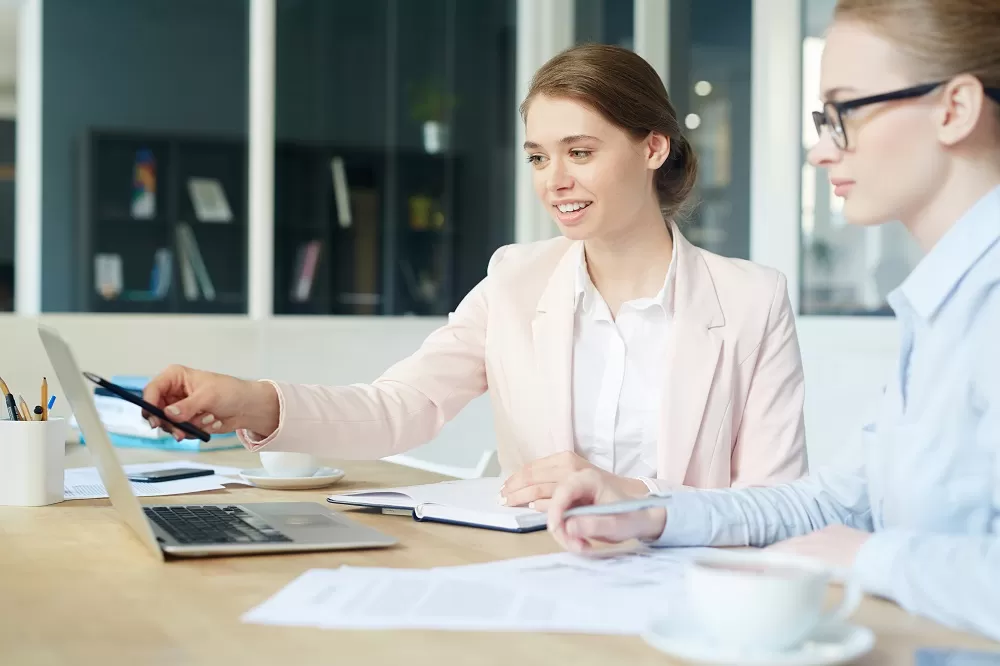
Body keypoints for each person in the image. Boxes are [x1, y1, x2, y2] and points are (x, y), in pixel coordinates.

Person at [141, 44, 808, 507]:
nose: (556, 181)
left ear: (653, 147)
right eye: (539, 157)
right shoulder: (517, 280)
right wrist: (252, 400)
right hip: (541, 574)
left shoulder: (752, 300)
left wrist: (635, 495)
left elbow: (776, 503)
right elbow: (399, 408)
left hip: (692, 593)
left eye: (580, 152)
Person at [548, 0, 1000, 641]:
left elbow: (855, 536)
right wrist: (650, 514)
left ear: (954, 109)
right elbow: (831, 502)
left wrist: (864, 557)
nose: (820, 150)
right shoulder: (944, 303)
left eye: (844, 113)